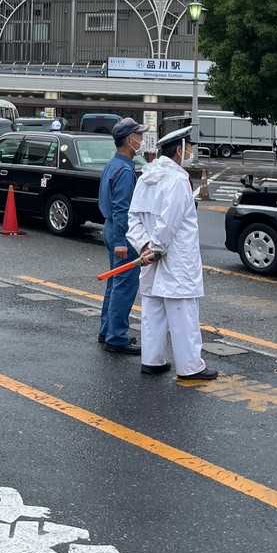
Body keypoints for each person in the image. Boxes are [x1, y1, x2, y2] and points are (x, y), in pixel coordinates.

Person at [128, 126, 216, 380]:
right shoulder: (177, 180)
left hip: (149, 256)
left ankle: (152, 360)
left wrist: (144, 246)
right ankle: (190, 366)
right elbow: (170, 222)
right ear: (179, 150)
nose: (190, 153)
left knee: (153, 310)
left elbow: (133, 218)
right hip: (175, 258)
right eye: (189, 149)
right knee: (183, 313)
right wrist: (156, 248)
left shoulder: (146, 177)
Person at [97, 117, 148, 355]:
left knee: (114, 283)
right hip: (122, 233)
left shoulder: (113, 164)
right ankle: (116, 337)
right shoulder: (125, 170)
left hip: (110, 227)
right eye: (139, 135)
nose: (142, 140)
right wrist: (121, 242)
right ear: (129, 140)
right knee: (124, 286)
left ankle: (107, 330)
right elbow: (122, 209)